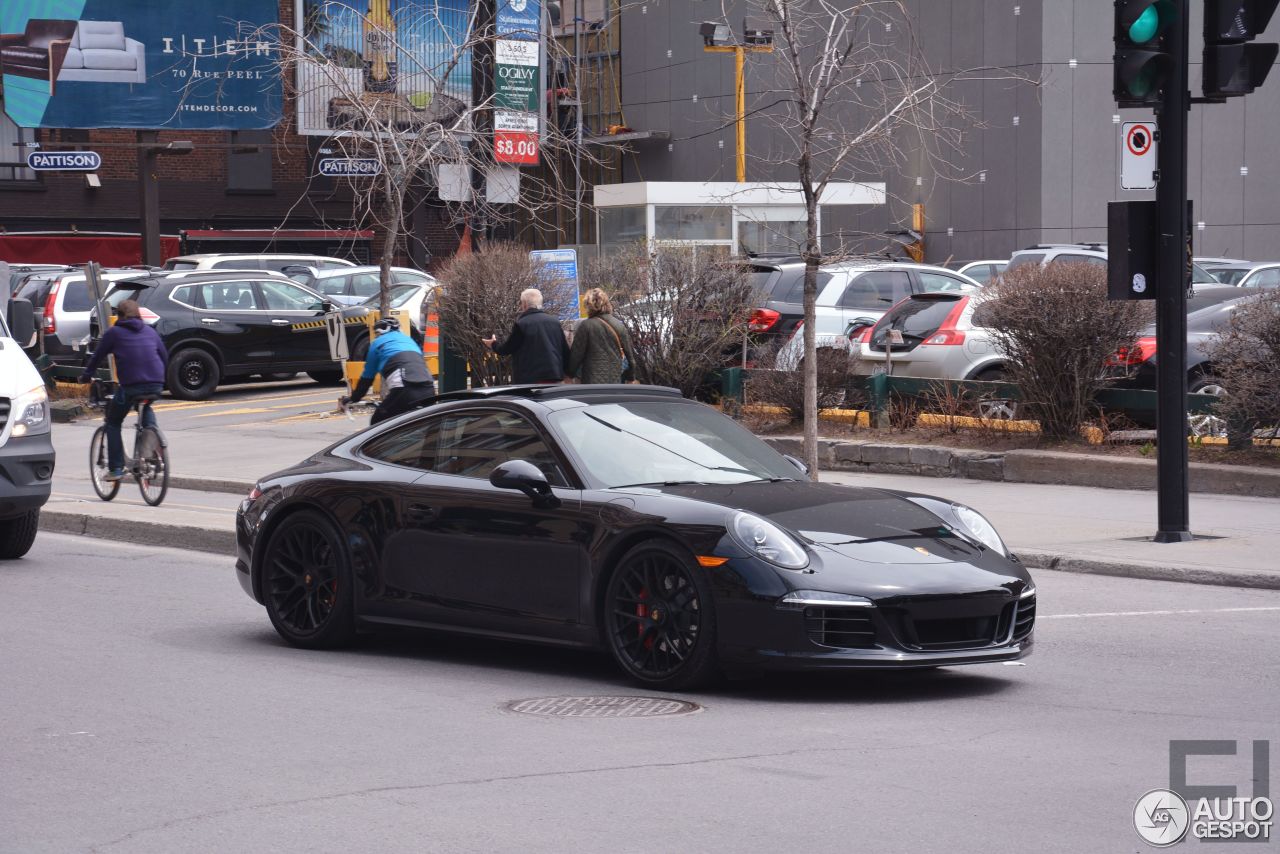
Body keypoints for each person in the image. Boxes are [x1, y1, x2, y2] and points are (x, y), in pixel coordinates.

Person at [78, 299, 167, 481]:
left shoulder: (114, 333)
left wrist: (86, 376)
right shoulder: (150, 331)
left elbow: (97, 357)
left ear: (118, 315)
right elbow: (164, 355)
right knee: (146, 405)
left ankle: (116, 468)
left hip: (131, 385)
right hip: (156, 383)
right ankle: (152, 443)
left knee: (113, 422)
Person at [341, 317, 436, 424]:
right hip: (428, 388)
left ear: (380, 331)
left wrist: (354, 398)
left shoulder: (377, 344)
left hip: (405, 388)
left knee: (377, 421)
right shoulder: (409, 341)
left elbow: (367, 378)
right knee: (425, 425)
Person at [482, 288, 570, 384]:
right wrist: (568, 373)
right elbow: (565, 350)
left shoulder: (522, 324)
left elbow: (507, 349)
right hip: (554, 375)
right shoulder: (554, 322)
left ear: (524, 304)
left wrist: (493, 344)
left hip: (530, 378)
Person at [568, 288, 637, 384]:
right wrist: (631, 377)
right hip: (615, 378)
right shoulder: (619, 325)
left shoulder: (586, 326)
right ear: (607, 304)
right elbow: (630, 356)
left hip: (591, 381)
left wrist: (569, 375)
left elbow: (576, 355)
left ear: (588, 306)